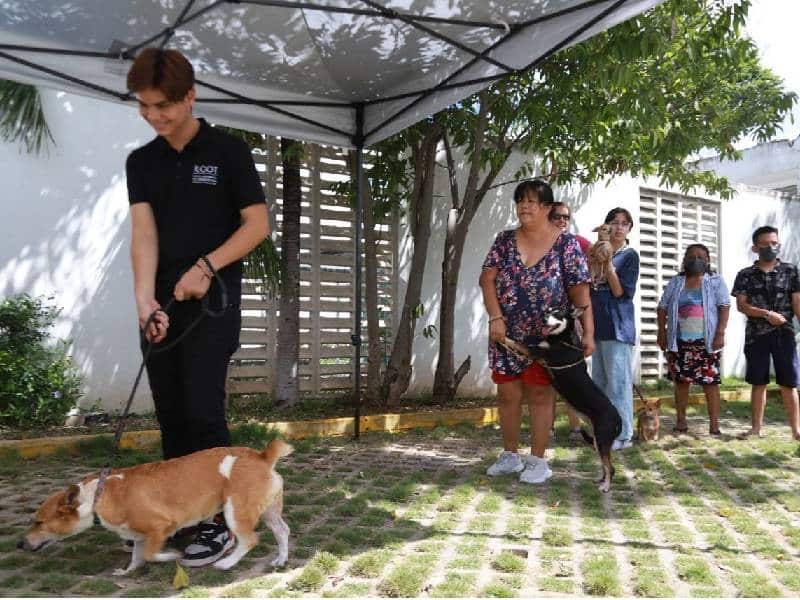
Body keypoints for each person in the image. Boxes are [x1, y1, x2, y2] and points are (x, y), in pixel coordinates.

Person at [125, 48, 270, 566]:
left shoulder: (227, 153)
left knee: (203, 413)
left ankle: (220, 524)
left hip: (213, 303)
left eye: (162, 105)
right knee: (171, 416)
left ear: (190, 96)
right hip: (164, 303)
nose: (154, 116)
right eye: (144, 107)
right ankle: (179, 516)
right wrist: (146, 302)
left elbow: (257, 225)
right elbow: (144, 234)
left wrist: (207, 267)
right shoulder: (141, 162)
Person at [480, 180, 593, 484]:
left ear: (547, 207)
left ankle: (538, 460)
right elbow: (486, 280)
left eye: (532, 201)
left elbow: (581, 294)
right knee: (507, 393)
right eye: (520, 201)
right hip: (506, 332)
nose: (524, 206)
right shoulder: (504, 241)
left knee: (541, 393)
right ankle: (510, 455)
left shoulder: (567, 244)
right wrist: (495, 317)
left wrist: (589, 333)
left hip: (549, 335)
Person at [731, 226, 800, 440]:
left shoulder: (791, 271)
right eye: (766, 244)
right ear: (755, 247)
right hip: (756, 335)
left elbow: (797, 303)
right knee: (758, 382)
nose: (771, 247)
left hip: (784, 334)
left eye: (774, 243)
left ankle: (796, 431)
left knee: (788, 383)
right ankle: (756, 429)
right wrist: (766, 314)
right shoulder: (745, 275)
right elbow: (742, 306)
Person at [656, 244, 730, 435]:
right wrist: (661, 332)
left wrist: (720, 333)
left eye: (701, 256)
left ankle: (714, 425)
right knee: (681, 382)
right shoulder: (676, 281)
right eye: (691, 256)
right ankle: (681, 422)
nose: (696, 259)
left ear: (708, 261)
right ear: (684, 259)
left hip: (707, 342)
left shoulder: (715, 281)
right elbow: (662, 307)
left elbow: (724, 306)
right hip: (679, 342)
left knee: (710, 382)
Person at [589, 207, 640, 450]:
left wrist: (608, 260)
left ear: (629, 228)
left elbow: (619, 291)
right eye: (614, 223)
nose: (619, 227)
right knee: (599, 382)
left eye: (624, 223)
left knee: (618, 383)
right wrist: (598, 253)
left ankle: (623, 434)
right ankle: (603, 433)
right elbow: (590, 282)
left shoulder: (629, 256)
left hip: (618, 326)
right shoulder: (596, 250)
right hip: (597, 324)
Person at [548, 202, 588, 440]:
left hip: (571, 319)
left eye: (566, 217)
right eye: (556, 216)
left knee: (573, 375)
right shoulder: (535, 244)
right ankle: (548, 427)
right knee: (547, 377)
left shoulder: (578, 243)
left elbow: (597, 262)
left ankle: (575, 427)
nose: (562, 220)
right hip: (544, 321)